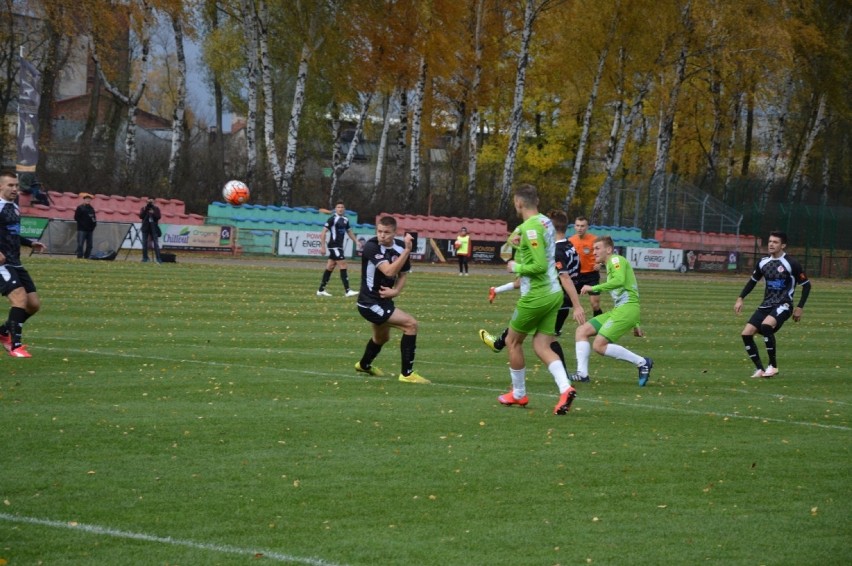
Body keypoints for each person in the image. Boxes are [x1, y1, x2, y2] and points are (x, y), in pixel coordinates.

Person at [488, 184, 579, 415]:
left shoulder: (529, 228)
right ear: (536, 201)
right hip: (554, 293)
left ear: (518, 203)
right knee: (541, 345)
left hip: (537, 295)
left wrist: (515, 266)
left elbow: (538, 265)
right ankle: (565, 388)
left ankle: (518, 394)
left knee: (512, 341)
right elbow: (532, 244)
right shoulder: (545, 222)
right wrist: (518, 242)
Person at [479, 209, 587, 369]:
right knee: (543, 335)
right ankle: (499, 343)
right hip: (560, 299)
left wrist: (577, 305)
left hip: (553, 296)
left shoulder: (556, 250)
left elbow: (565, 277)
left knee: (536, 334)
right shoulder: (570, 246)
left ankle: (499, 343)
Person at [354, 215, 430, 384]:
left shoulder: (401, 246)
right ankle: (407, 374)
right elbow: (389, 271)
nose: (382, 235)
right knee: (411, 324)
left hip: (383, 301)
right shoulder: (371, 247)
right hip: (369, 302)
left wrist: (395, 291)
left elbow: (403, 274)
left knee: (381, 338)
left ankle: (364, 365)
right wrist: (407, 251)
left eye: (387, 232)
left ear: (395, 232)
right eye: (379, 231)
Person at [571, 236, 653, 386]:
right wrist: (636, 323)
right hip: (622, 309)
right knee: (581, 331)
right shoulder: (610, 264)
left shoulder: (615, 260)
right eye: (593, 249)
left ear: (608, 249)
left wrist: (593, 288)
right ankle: (582, 374)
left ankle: (642, 362)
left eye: (597, 248)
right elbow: (631, 288)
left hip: (626, 309)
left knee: (599, 345)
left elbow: (620, 281)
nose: (594, 252)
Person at [734, 231, 811, 378]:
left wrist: (799, 307)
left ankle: (773, 366)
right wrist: (740, 298)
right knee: (746, 334)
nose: (771, 244)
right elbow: (752, 281)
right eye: (770, 241)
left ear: (783, 245)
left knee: (766, 325)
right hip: (766, 304)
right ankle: (760, 369)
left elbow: (806, 285)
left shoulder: (792, 263)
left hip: (784, 304)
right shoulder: (763, 262)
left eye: (775, 242)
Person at [0, 170, 47, 358]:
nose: (14, 189)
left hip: (15, 262)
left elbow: (11, 233)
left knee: (33, 304)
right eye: (10, 185)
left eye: (16, 185)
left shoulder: (14, 207)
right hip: (2, 264)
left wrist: (30, 242)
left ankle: (3, 332)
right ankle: (15, 346)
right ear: (0, 186)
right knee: (19, 298)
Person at [317, 201, 359, 297]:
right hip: (334, 245)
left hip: (339, 246)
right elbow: (323, 232)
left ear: (344, 209)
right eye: (338, 207)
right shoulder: (332, 219)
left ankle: (321, 290)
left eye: (342, 207)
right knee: (343, 265)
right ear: (336, 209)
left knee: (330, 267)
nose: (340, 208)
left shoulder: (345, 219)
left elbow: (349, 231)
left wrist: (356, 241)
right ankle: (348, 291)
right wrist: (323, 246)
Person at [569, 216, 604, 317]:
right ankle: (558, 328)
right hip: (576, 275)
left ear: (587, 227)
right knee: (564, 301)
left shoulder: (594, 240)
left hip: (591, 276)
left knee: (595, 305)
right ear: (574, 227)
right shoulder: (571, 241)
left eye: (582, 226)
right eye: (578, 225)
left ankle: (598, 326)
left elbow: (604, 254)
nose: (580, 228)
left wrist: (600, 263)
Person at [139, 198, 162, 263]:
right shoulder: (144, 208)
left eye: (151, 201)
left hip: (153, 227)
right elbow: (141, 216)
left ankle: (158, 258)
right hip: (145, 227)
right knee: (144, 243)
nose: (150, 203)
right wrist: (146, 209)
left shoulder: (156, 209)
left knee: (155, 243)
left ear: (154, 202)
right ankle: (145, 258)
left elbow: (158, 217)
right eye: (149, 201)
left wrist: (153, 213)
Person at [74, 192, 97, 259]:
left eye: (89, 199)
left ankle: (87, 256)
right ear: (84, 200)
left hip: (90, 230)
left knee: (90, 245)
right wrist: (83, 224)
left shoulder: (91, 209)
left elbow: (94, 218)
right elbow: (76, 218)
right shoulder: (80, 208)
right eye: (87, 199)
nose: (88, 200)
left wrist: (94, 225)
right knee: (80, 244)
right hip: (82, 229)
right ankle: (80, 256)